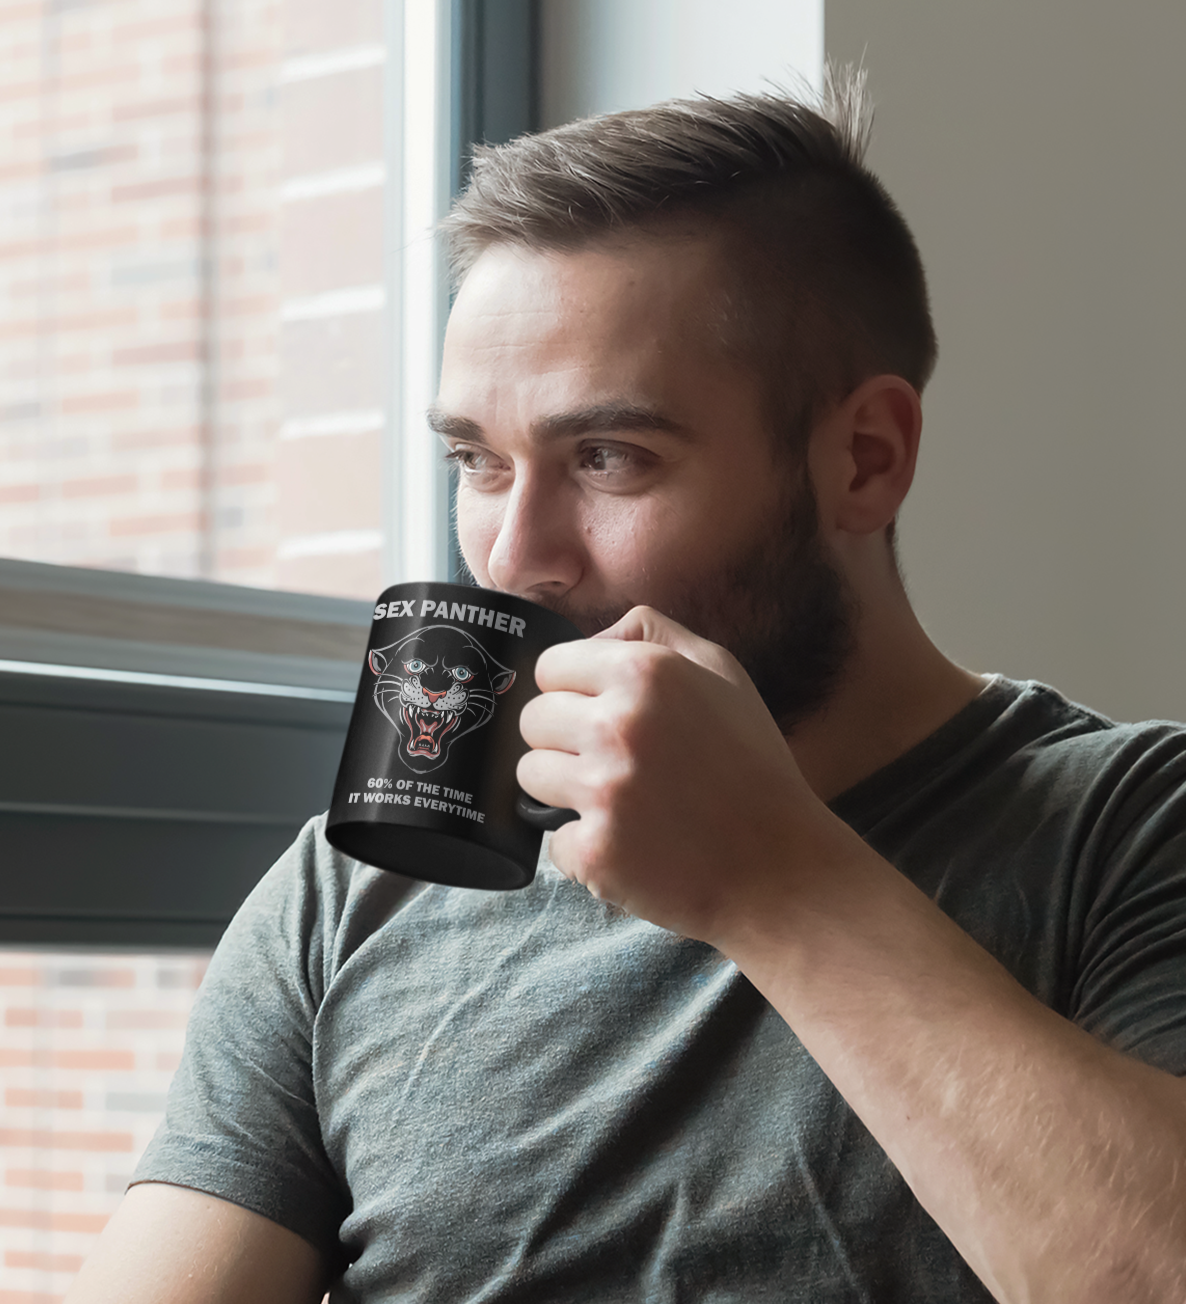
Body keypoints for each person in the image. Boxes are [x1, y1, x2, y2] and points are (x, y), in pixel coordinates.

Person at [64, 71, 1186, 1303]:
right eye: (478, 462)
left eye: (608, 457)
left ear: (863, 460)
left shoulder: (1131, 828)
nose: (510, 553)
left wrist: (779, 880)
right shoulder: (349, 890)